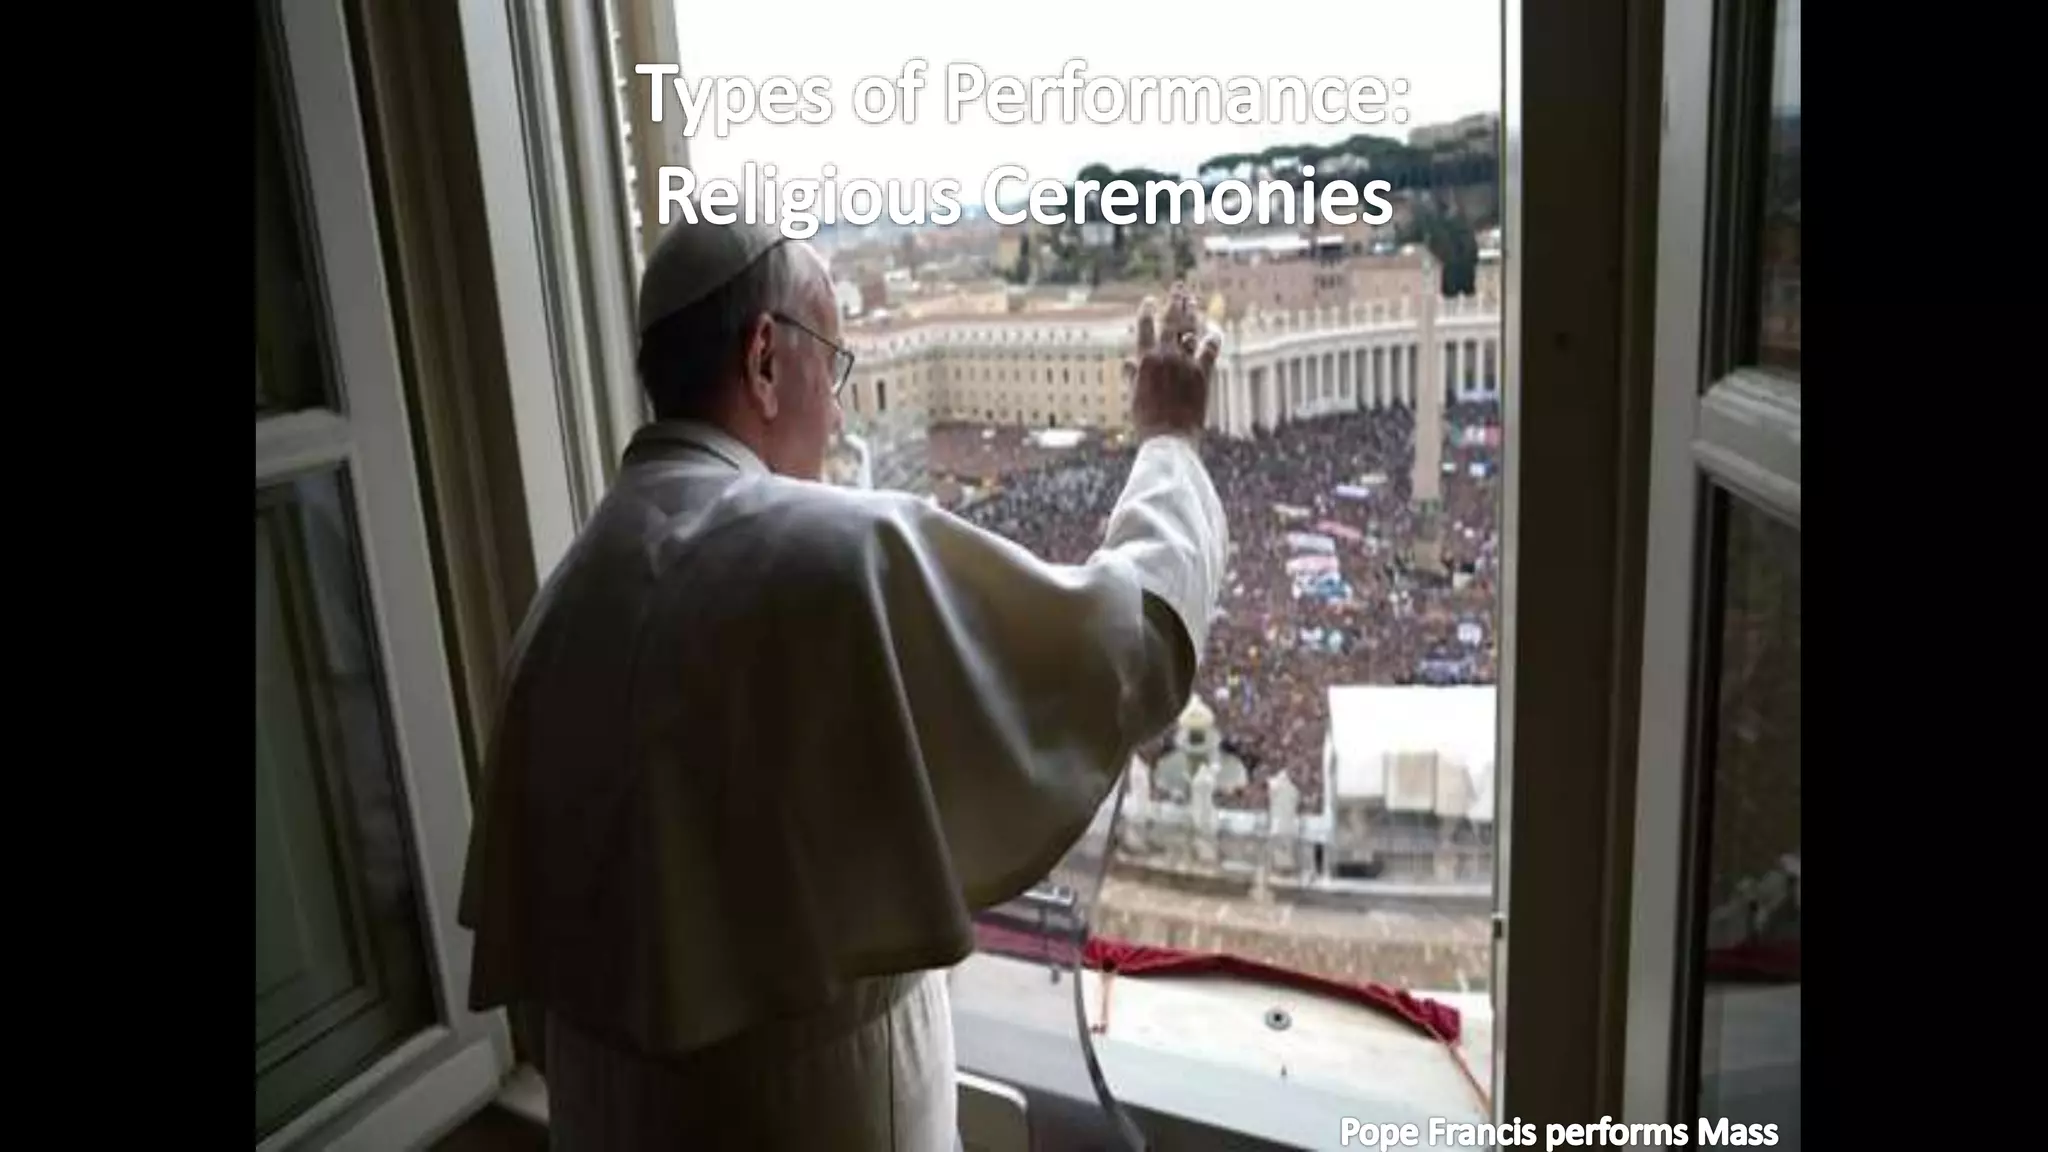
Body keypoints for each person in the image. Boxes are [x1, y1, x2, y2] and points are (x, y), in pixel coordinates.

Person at [457, 216, 1229, 1150]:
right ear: (765, 359)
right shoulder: (837, 556)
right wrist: (1169, 443)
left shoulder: (556, 608)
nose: (837, 413)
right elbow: (1130, 646)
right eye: (831, 364)